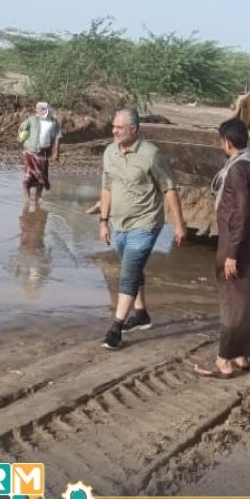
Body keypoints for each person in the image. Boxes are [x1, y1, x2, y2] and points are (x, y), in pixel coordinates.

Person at [98, 107, 188, 351]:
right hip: (119, 224)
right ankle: (141, 314)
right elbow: (106, 187)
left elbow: (169, 188)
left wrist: (179, 224)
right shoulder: (109, 153)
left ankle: (115, 329)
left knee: (128, 272)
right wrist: (103, 221)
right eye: (113, 126)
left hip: (146, 223)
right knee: (132, 267)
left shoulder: (151, 155)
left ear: (134, 130)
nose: (113, 131)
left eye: (119, 127)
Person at [192, 118, 250, 378]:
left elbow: (241, 212)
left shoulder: (237, 170)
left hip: (235, 243)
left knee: (232, 302)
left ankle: (223, 359)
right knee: (247, 298)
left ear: (227, 142)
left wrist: (231, 254)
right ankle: (242, 354)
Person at [18, 101, 62, 204]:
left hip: (44, 153)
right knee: (28, 176)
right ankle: (27, 198)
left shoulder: (53, 122)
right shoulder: (32, 119)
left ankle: (38, 196)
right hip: (31, 152)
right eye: (36, 108)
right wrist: (21, 135)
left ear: (45, 110)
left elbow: (57, 137)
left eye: (39, 108)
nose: (36, 110)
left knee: (41, 176)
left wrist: (56, 153)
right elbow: (21, 129)